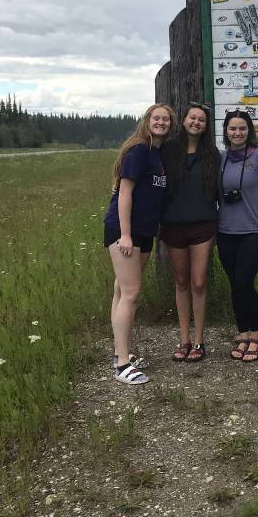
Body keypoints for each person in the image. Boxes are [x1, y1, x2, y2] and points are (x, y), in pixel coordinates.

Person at [104, 104, 175, 385]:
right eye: (156, 118)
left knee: (122, 290)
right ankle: (122, 364)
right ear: (147, 121)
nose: (161, 122)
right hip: (126, 232)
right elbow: (124, 193)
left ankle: (118, 353)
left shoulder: (157, 154)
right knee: (131, 293)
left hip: (144, 231)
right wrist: (125, 234)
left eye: (165, 119)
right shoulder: (139, 151)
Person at [217, 110, 258, 362]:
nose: (237, 133)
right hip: (225, 231)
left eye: (242, 128)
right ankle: (242, 333)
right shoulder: (220, 158)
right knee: (235, 283)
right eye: (232, 128)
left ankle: (256, 335)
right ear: (226, 131)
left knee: (244, 280)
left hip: (254, 231)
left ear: (249, 130)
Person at [159, 102, 220, 362]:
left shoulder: (212, 153)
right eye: (192, 118)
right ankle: (184, 339)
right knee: (181, 282)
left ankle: (199, 341)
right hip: (173, 225)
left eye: (202, 120)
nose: (196, 122)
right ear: (183, 121)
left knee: (198, 282)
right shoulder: (168, 149)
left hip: (203, 225)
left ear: (206, 126)